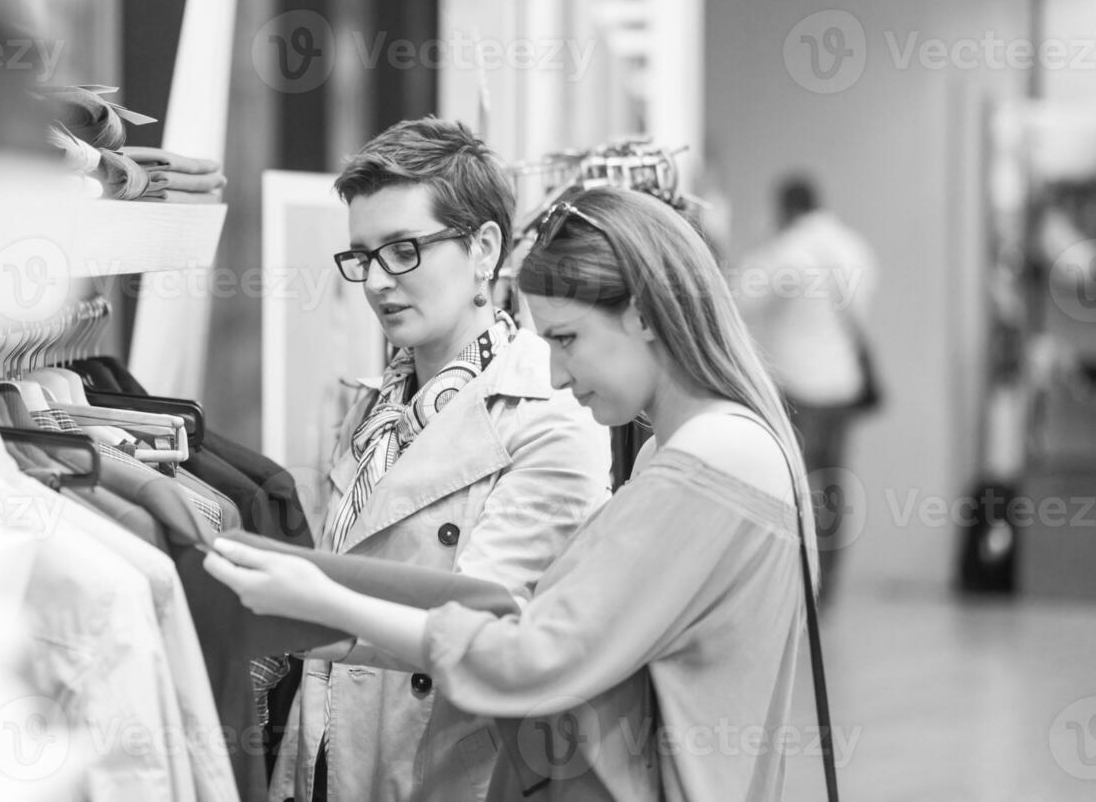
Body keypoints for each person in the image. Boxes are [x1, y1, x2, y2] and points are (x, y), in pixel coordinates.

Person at [207, 186, 820, 801]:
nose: (553, 372)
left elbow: (536, 654)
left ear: (643, 314)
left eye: (567, 339)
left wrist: (330, 605)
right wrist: (323, 614)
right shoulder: (698, 447)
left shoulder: (706, 462)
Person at [265, 118, 611, 802]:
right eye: (362, 255)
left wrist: (304, 611)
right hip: (327, 757)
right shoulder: (374, 404)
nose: (376, 282)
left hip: (445, 771)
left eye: (402, 250)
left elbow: (488, 631)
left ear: (483, 249)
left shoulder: (547, 418)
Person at [738, 175, 878, 602]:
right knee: (832, 490)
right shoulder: (856, 248)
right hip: (843, 388)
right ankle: (826, 589)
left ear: (784, 208)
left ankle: (793, 584)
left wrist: (764, 241)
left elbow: (739, 296)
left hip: (799, 387)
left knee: (791, 489)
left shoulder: (789, 251)